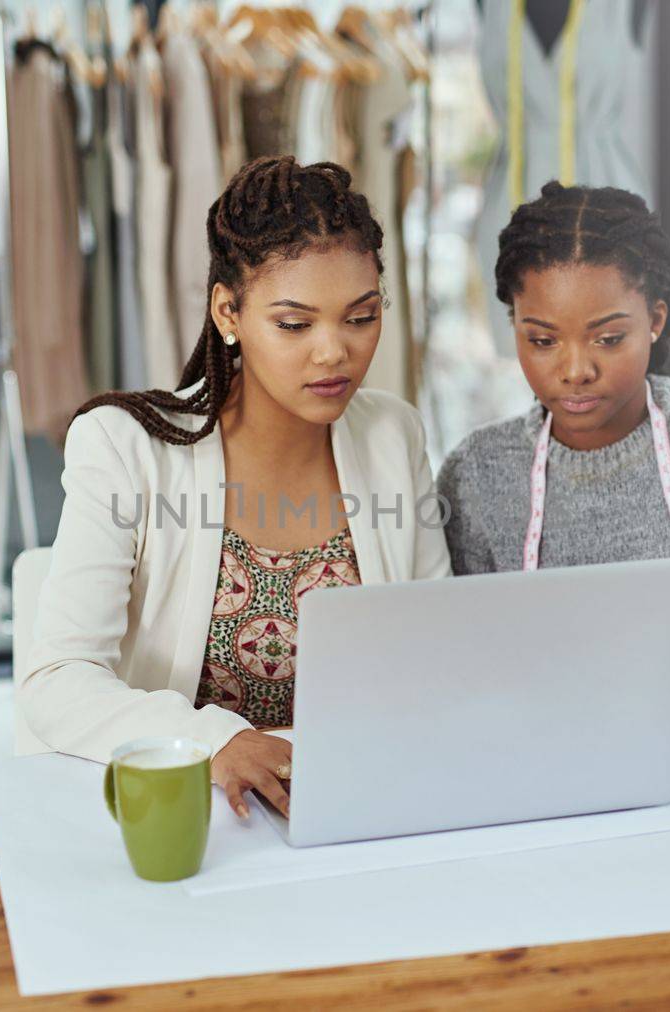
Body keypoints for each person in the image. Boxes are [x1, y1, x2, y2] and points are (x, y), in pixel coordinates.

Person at [23, 157, 449, 818]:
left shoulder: (393, 433)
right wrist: (213, 739)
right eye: (294, 324)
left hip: (358, 802)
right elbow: (56, 683)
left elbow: (437, 649)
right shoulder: (126, 447)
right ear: (229, 311)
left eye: (361, 318)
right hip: (198, 815)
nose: (333, 352)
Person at [436, 182, 670, 791]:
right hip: (539, 764)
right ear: (514, 329)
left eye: (608, 338)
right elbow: (469, 659)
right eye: (542, 340)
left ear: (655, 320)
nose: (576, 368)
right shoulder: (477, 470)